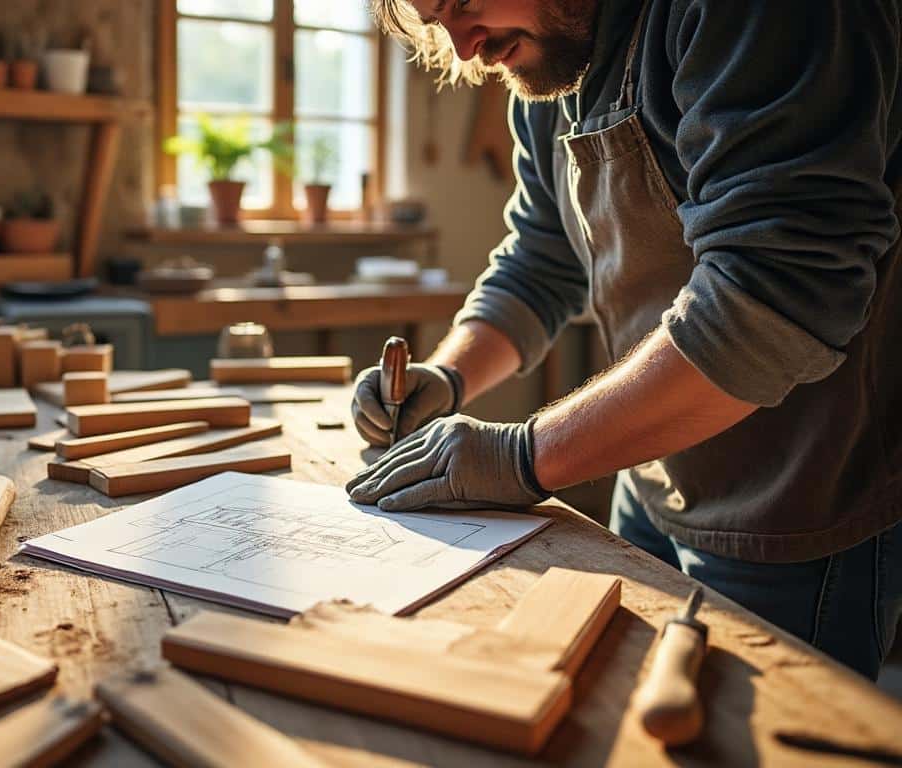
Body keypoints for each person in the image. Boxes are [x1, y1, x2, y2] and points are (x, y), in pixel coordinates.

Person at [349, 0, 902, 679]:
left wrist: (522, 456)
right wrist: (448, 376)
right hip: (647, 471)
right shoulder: (550, 62)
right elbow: (540, 261)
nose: (466, 50)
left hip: (796, 494)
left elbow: (778, 292)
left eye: (463, 4)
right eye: (438, 27)